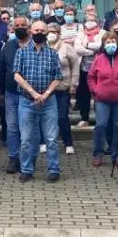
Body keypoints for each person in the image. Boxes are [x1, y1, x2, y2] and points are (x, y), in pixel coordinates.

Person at [13, 20, 63, 183]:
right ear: (30, 31)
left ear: (47, 32)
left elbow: (58, 77)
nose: (39, 32)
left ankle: (54, 169)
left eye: (43, 30)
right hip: (27, 102)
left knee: (51, 138)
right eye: (36, 30)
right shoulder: (21, 52)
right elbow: (17, 75)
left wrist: (46, 93)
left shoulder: (53, 53)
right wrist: (34, 93)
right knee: (26, 138)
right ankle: (27, 169)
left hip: (49, 103)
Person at [87, 31, 118, 167]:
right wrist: (96, 90)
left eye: (113, 41)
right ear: (103, 44)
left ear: (117, 43)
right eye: (107, 42)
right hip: (102, 99)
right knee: (101, 125)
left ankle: (117, 154)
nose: (111, 44)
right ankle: (98, 154)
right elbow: (90, 77)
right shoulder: (98, 59)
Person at [0, 16, 31, 173]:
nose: (19, 28)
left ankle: (27, 159)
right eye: (16, 25)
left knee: (27, 128)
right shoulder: (8, 46)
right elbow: (1, 70)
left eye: (22, 25)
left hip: (29, 94)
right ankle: (13, 158)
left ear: (28, 27)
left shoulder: (36, 45)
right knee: (12, 127)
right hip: (10, 93)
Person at [47, 23, 80, 155]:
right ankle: (44, 142)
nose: (50, 34)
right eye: (48, 31)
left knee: (62, 117)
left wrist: (74, 84)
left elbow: (75, 65)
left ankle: (68, 143)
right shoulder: (43, 47)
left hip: (63, 88)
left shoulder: (67, 48)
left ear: (59, 33)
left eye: (53, 31)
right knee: (47, 118)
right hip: (46, 89)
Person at [74, 12, 106, 127]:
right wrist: (92, 50)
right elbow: (77, 48)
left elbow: (101, 46)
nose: (90, 21)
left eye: (93, 19)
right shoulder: (80, 33)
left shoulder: (103, 33)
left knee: (99, 93)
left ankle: (100, 118)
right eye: (88, 19)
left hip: (99, 69)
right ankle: (84, 118)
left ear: (97, 21)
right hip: (84, 68)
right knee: (83, 94)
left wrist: (86, 44)